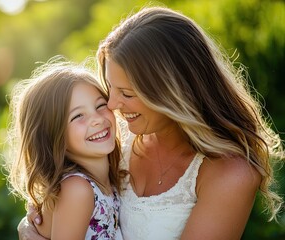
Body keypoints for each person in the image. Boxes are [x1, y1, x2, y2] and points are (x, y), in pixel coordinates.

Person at [18, 6, 285, 240]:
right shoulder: (115, 140)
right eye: (110, 88)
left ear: (173, 93)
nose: (111, 105)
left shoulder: (229, 173)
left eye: (127, 94)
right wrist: (31, 226)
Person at [5, 59, 126, 239]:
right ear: (53, 135)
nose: (97, 119)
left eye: (100, 105)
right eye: (78, 116)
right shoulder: (77, 190)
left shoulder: (106, 179)